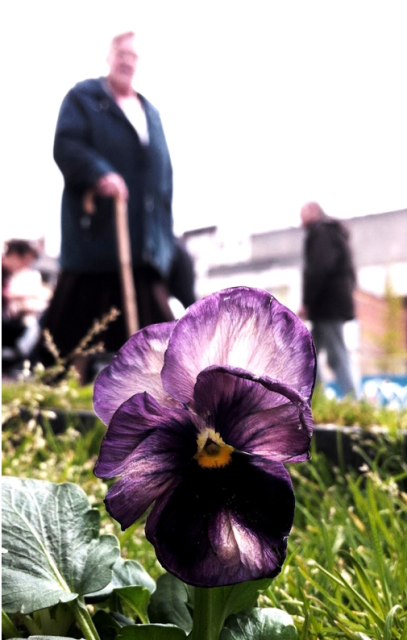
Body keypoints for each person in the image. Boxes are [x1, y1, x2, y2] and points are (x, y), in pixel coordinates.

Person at [39, 31, 175, 376]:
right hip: (96, 240)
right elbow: (67, 145)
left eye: (134, 55)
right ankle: (47, 390)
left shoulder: (151, 112)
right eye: (121, 52)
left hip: (142, 248)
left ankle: (162, 407)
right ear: (109, 56)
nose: (127, 60)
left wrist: (163, 237)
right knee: (72, 332)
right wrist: (100, 173)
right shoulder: (85, 97)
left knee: (158, 340)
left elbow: (163, 177)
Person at [299, 201, 357, 397]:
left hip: (328, 307)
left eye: (303, 215)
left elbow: (317, 270)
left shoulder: (321, 232)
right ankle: (315, 399)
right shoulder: (334, 234)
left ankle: (354, 400)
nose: (301, 222)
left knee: (336, 355)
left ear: (314, 212)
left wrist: (307, 302)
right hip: (330, 306)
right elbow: (350, 274)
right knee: (309, 355)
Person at [2, 240, 50, 371]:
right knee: (30, 332)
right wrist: (32, 295)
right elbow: (6, 293)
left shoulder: (7, 275)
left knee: (31, 329)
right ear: (13, 255)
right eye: (25, 261)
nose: (26, 266)